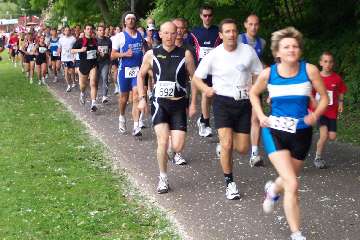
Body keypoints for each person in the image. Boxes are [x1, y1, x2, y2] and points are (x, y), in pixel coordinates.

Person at [249, 27, 329, 240]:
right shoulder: (269, 74)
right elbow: (253, 93)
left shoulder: (310, 70)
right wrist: (260, 115)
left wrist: (316, 114)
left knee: (288, 179)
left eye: (295, 46)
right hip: (275, 131)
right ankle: (296, 234)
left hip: (302, 133)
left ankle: (273, 190)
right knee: (293, 183)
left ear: (300, 50)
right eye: (286, 46)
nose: (291, 49)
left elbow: (324, 98)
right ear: (278, 52)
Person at [192, 19, 263, 200]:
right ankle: (230, 182)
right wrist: (206, 89)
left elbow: (258, 73)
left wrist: (255, 89)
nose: (231, 34)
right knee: (227, 144)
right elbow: (197, 78)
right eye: (227, 31)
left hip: (243, 103)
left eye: (234, 31)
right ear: (221, 35)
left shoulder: (248, 51)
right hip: (222, 102)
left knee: (242, 148)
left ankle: (223, 147)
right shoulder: (214, 55)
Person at [137, 21, 196, 193]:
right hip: (160, 103)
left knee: (176, 146)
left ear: (177, 33)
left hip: (178, 104)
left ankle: (172, 149)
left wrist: (192, 103)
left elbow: (195, 79)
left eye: (173, 33)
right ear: (160, 35)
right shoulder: (151, 54)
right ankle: (163, 178)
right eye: (166, 33)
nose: (170, 37)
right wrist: (142, 98)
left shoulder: (186, 54)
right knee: (162, 142)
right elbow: (141, 76)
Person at [238, 14, 267, 167]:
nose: (253, 27)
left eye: (256, 24)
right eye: (251, 24)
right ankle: (225, 144)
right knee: (238, 120)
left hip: (255, 87)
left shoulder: (262, 42)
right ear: (245, 25)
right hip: (238, 87)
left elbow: (259, 62)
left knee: (255, 119)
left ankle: (254, 153)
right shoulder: (238, 39)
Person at [191, 5, 222, 137]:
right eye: (205, 15)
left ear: (212, 16)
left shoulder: (218, 31)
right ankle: (206, 123)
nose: (207, 18)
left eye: (209, 15)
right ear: (201, 16)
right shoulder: (195, 32)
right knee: (206, 93)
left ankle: (203, 119)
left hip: (215, 69)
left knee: (212, 96)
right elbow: (188, 50)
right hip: (201, 69)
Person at [111, 12, 144, 136]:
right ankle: (122, 117)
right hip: (124, 71)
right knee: (124, 98)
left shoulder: (140, 35)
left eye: (132, 19)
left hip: (137, 71)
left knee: (136, 96)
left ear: (135, 21)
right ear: (124, 22)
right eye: (128, 19)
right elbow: (112, 55)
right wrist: (124, 54)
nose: (130, 21)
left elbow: (143, 50)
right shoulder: (119, 36)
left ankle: (136, 126)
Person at [313, 51, 347, 169]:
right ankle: (318, 157)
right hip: (321, 112)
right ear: (321, 63)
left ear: (333, 64)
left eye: (330, 62)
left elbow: (342, 90)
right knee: (323, 135)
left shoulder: (336, 78)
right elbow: (311, 94)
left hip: (332, 113)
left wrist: (341, 103)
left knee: (332, 136)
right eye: (325, 61)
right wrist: (313, 107)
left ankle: (320, 148)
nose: (328, 64)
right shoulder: (316, 77)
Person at [72, 24, 99, 112]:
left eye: (91, 29)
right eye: (87, 29)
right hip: (84, 65)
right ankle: (82, 93)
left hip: (93, 65)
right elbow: (72, 50)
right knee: (83, 85)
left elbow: (95, 51)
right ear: (84, 31)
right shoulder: (80, 40)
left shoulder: (95, 40)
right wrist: (80, 50)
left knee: (93, 83)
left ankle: (93, 104)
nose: (89, 30)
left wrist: (99, 52)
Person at [96, 25, 112, 103]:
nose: (101, 32)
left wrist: (110, 61)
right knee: (96, 80)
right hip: (96, 63)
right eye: (100, 30)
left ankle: (104, 96)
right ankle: (95, 94)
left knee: (105, 78)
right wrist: (98, 52)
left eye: (103, 30)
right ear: (97, 31)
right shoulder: (94, 40)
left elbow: (110, 51)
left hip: (105, 62)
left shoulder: (108, 40)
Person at [58, 26, 77, 92]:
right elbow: (59, 48)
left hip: (71, 58)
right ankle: (68, 85)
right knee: (66, 72)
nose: (67, 31)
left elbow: (75, 49)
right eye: (65, 30)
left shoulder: (73, 39)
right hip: (64, 58)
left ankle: (74, 81)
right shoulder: (61, 39)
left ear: (70, 31)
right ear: (63, 31)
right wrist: (59, 57)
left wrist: (75, 57)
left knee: (72, 71)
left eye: (68, 30)